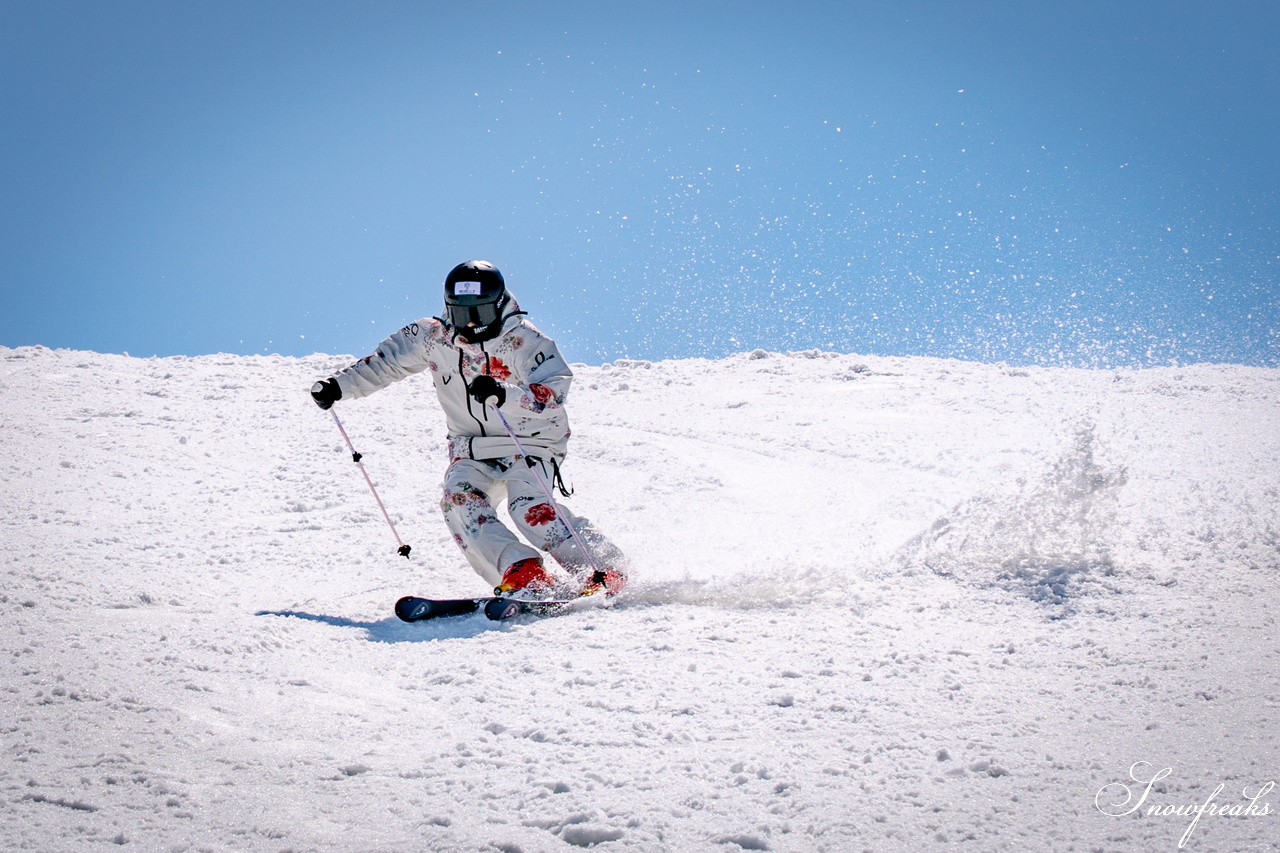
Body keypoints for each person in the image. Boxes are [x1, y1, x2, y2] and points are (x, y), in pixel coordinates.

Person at [310, 260, 628, 598]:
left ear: (500, 305)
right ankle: (522, 570)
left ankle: (602, 566)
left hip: (531, 442)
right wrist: (338, 386)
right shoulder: (430, 337)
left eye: (481, 313)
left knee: (529, 507)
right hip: (471, 447)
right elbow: (386, 362)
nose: (472, 323)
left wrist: (504, 394)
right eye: (462, 315)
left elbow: (554, 391)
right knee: (458, 502)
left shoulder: (525, 341)